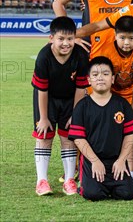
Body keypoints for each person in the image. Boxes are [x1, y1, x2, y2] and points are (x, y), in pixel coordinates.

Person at [32, 17, 89, 196]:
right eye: (61, 39)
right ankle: (42, 181)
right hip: (47, 99)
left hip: (70, 100)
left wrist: (75, 113)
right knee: (44, 135)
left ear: (75, 38)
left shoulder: (80, 56)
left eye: (70, 39)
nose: (66, 43)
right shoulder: (44, 57)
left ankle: (70, 180)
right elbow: (42, 90)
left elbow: (81, 87)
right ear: (51, 39)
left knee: (68, 137)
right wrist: (43, 118)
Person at [68, 56, 133, 201]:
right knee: (93, 194)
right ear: (89, 80)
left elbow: (130, 135)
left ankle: (117, 183)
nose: (100, 78)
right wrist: (94, 161)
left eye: (105, 74)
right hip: (92, 161)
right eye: (95, 75)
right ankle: (88, 183)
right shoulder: (82, 106)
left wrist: (121, 160)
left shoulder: (122, 104)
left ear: (113, 79)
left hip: (116, 161)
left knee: (128, 194)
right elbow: (78, 139)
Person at [99, 15, 133, 110]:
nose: (126, 43)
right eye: (122, 38)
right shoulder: (106, 52)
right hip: (111, 94)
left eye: (131, 38)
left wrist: (132, 110)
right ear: (115, 35)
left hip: (132, 95)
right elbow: (104, 83)